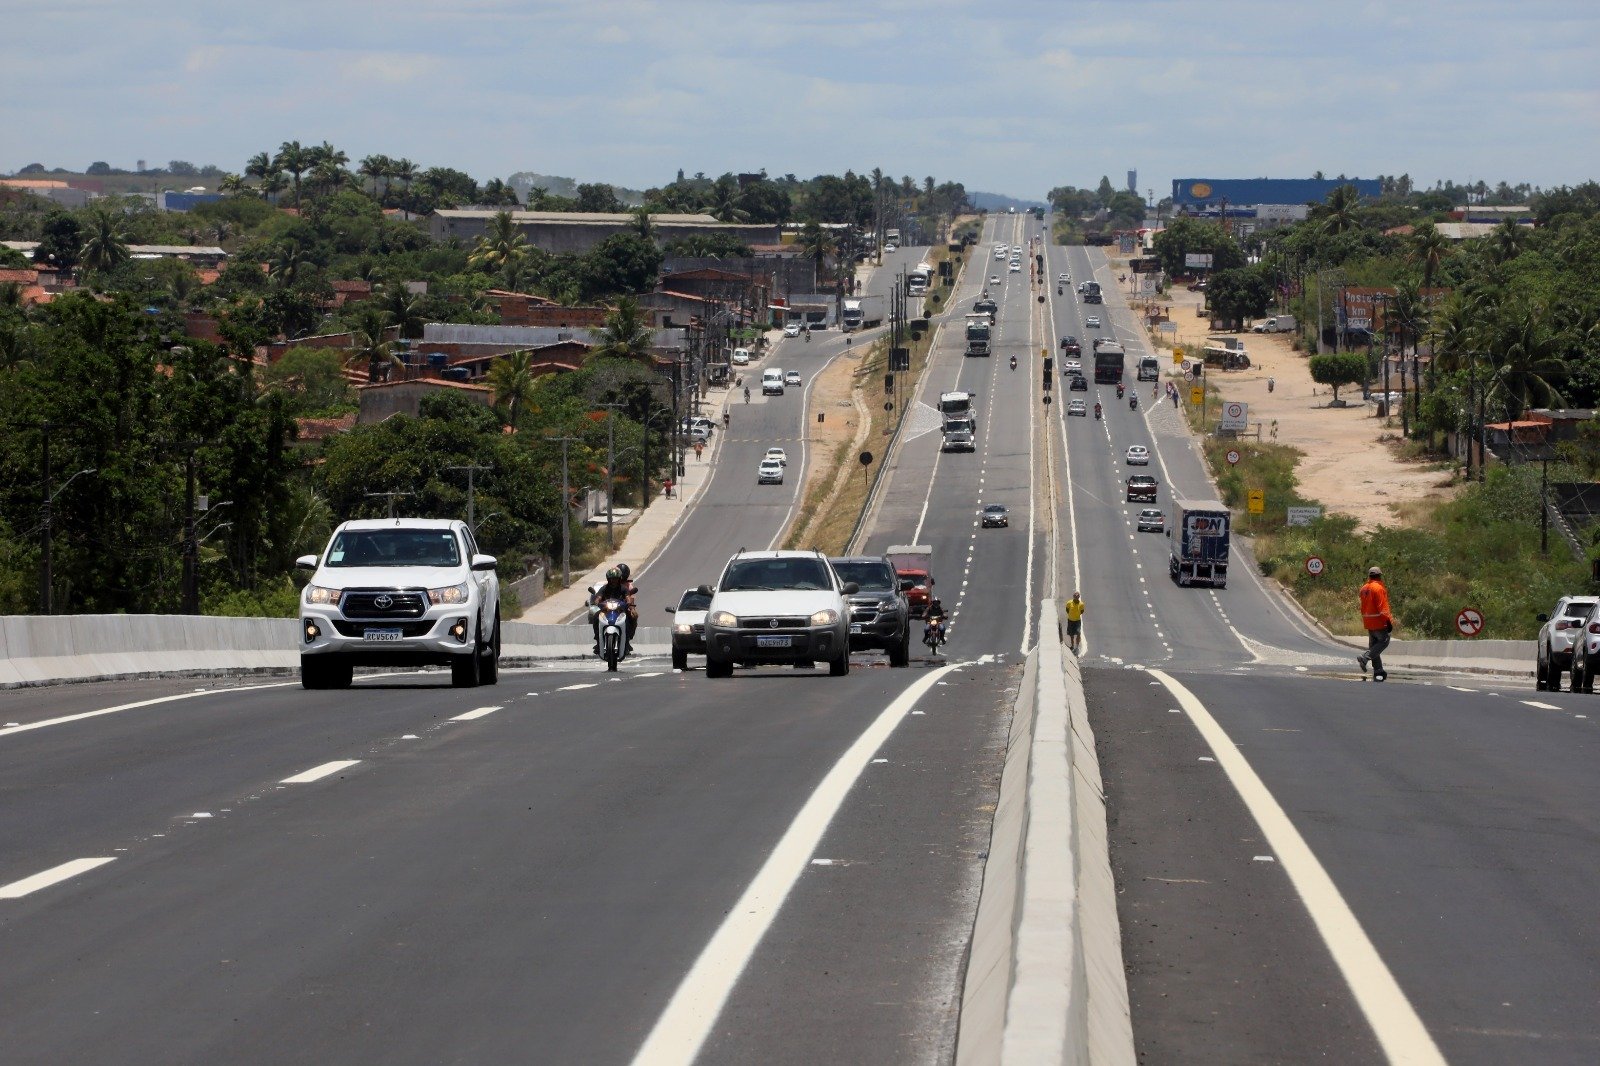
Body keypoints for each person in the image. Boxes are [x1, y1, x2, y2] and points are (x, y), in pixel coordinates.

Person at [590, 566, 638, 654]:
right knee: (596, 616)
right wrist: (596, 601)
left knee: (632, 617)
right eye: (612, 579)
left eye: (615, 579)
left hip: (620, 610)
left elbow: (628, 598)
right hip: (606, 610)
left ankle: (628, 639)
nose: (614, 581)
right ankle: (598, 640)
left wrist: (628, 603)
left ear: (619, 579)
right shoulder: (604, 588)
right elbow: (599, 597)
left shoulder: (623, 588)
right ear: (608, 579)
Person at [1357, 566, 1393, 681]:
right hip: (1379, 621)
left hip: (1368, 621)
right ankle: (1365, 657)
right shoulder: (1378, 588)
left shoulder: (1363, 589)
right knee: (1384, 641)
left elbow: (1363, 607)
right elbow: (1382, 607)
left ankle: (1378, 670)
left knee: (1374, 646)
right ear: (1379, 575)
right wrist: (1388, 621)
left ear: (1369, 575)